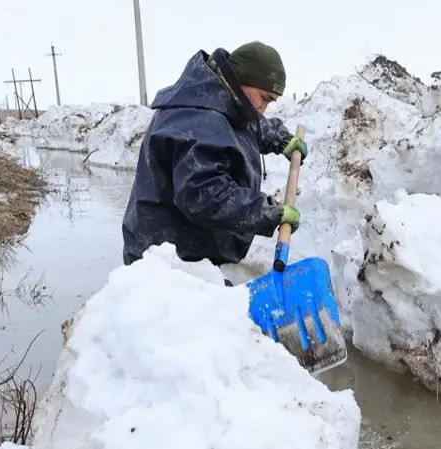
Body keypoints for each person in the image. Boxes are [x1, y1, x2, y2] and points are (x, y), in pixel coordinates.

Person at [120, 41, 308, 279]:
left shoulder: (223, 99)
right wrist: (268, 212)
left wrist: (281, 140)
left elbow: (246, 125)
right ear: (241, 80)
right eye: (264, 98)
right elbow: (204, 195)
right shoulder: (197, 118)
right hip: (165, 260)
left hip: (191, 248)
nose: (263, 108)